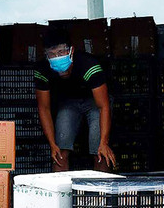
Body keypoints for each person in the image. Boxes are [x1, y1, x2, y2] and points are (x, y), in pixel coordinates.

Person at [34, 26, 116, 172]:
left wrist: (104, 142)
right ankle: (59, 193)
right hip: (68, 103)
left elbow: (103, 106)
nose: (57, 57)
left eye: (61, 52)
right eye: (52, 54)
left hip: (95, 103)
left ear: (71, 50)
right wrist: (52, 144)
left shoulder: (89, 66)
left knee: (100, 151)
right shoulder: (42, 70)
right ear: (46, 56)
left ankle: (100, 193)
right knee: (59, 152)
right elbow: (43, 108)